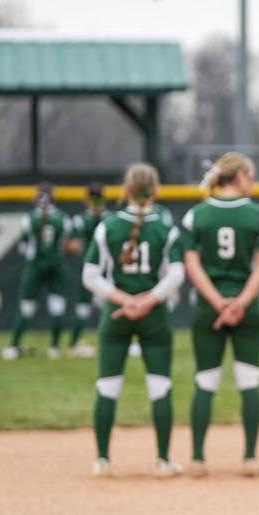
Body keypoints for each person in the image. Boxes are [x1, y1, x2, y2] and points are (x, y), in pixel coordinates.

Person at [81, 163, 186, 478]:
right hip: (153, 317)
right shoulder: (167, 228)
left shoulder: (107, 226)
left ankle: (102, 460)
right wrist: (148, 301)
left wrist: (126, 301)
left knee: (107, 386)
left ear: (125, 190)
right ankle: (164, 461)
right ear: (155, 191)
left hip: (116, 315)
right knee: (160, 386)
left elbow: (89, 275)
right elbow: (176, 275)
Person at [181, 153, 259, 476]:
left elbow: (192, 266)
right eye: (250, 176)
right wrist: (239, 303)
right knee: (250, 381)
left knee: (205, 382)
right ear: (238, 176)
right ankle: (249, 458)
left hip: (208, 309)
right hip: (248, 310)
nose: (252, 183)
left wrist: (219, 303)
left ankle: (196, 459)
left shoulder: (196, 215)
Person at [1, 183, 72, 360]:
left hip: (35, 265)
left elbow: (23, 246)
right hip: (56, 264)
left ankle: (13, 345)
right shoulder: (64, 219)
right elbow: (69, 244)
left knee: (26, 307)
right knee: (57, 307)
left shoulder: (29, 219)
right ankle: (54, 348)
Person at [66, 182, 106, 358]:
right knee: (92, 307)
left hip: (96, 269)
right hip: (99, 269)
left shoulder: (84, 219)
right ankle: (74, 343)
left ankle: (74, 343)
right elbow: (73, 245)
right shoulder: (90, 219)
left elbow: (73, 246)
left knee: (94, 307)